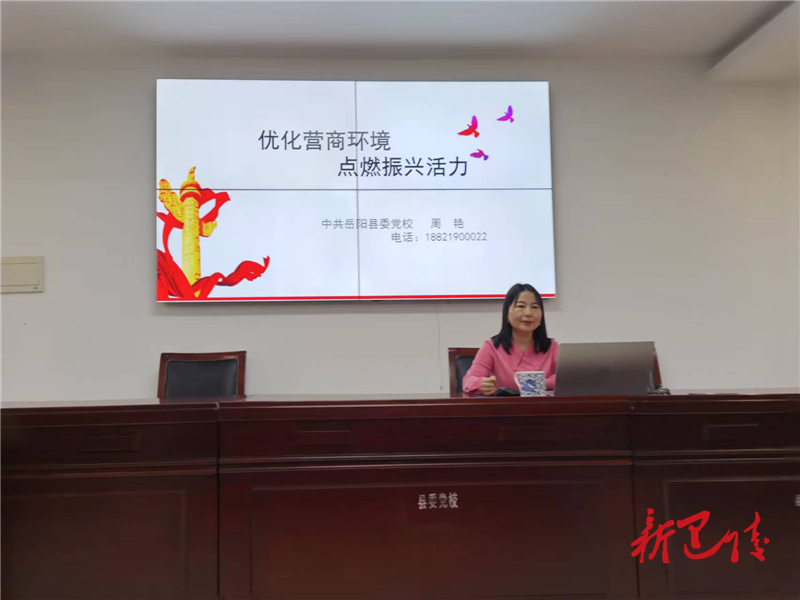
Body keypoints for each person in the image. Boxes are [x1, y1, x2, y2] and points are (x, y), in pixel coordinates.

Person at [462, 283, 559, 395]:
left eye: (535, 307)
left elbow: (567, 378)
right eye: (521, 306)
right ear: (507, 314)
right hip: (505, 406)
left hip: (544, 406)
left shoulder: (552, 347)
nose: (528, 313)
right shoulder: (492, 347)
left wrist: (539, 384)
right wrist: (481, 383)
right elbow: (468, 380)